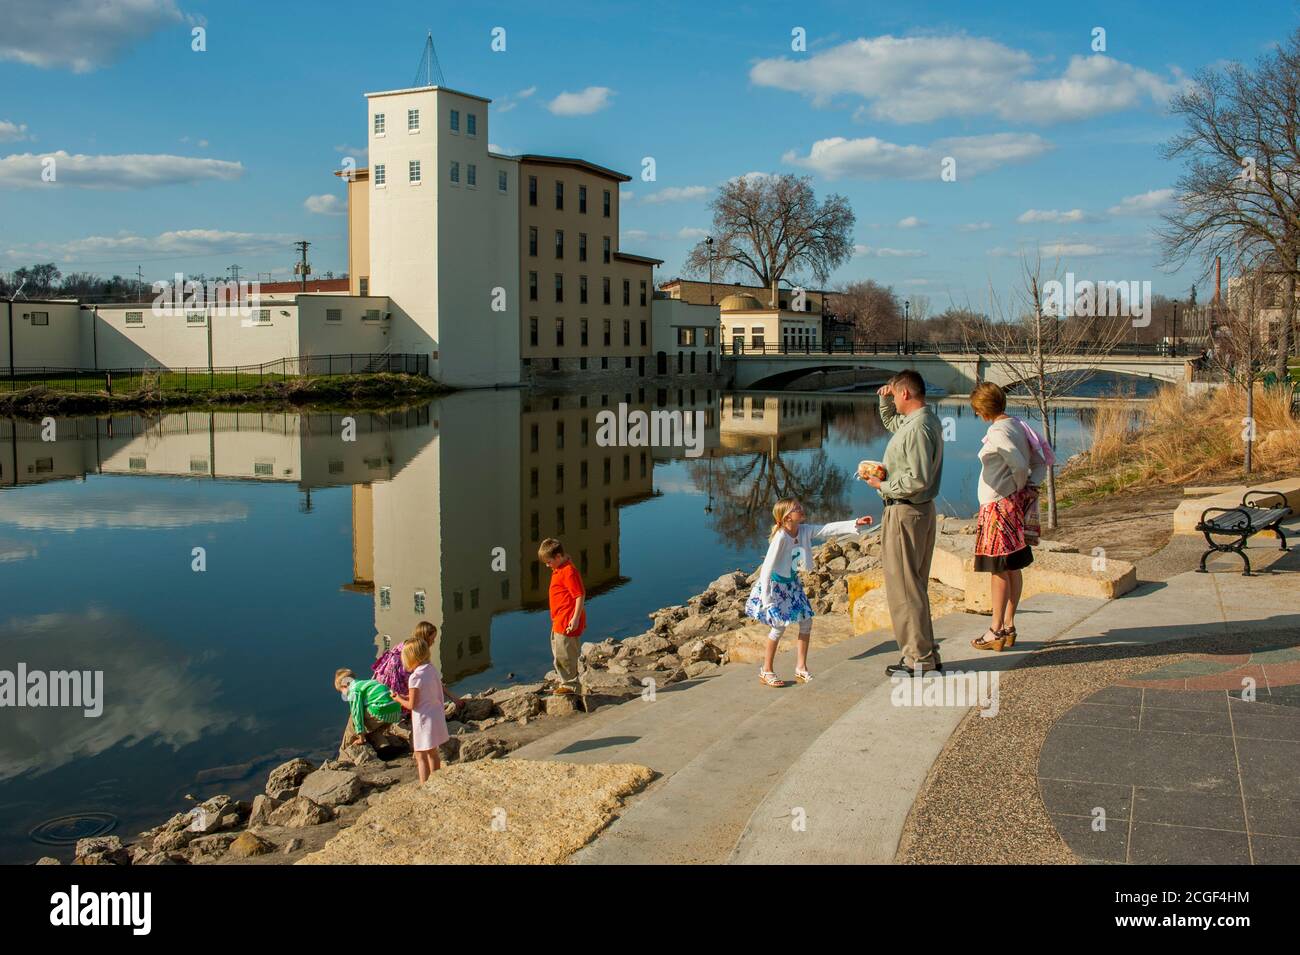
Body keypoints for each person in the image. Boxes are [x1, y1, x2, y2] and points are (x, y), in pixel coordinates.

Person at [864, 370, 945, 675]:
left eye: (896, 394)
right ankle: (924, 654)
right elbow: (893, 424)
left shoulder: (920, 428)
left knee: (904, 589)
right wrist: (884, 400)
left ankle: (919, 659)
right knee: (913, 586)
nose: (894, 399)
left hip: (905, 512)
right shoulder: (921, 421)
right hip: (914, 511)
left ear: (907, 394)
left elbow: (918, 479)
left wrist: (881, 486)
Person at [743, 498, 874, 687]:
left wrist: (854, 523)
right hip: (775, 586)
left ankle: (801, 668)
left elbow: (827, 529)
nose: (801, 509)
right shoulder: (780, 536)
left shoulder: (803, 530)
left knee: (806, 621)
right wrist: (768, 601)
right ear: (787, 517)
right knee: (779, 626)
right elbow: (766, 569)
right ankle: (766, 670)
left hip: (792, 584)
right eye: (797, 509)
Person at [967, 382, 1049, 652]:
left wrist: (1016, 485)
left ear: (983, 409)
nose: (977, 416)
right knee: (1013, 565)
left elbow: (1018, 462)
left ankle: (995, 630)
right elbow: (1040, 460)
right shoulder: (1018, 426)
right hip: (1011, 504)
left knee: (999, 569)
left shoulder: (998, 431)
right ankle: (1009, 625)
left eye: (977, 411)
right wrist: (1030, 486)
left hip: (998, 506)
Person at [386, 639, 448, 783]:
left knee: (420, 755)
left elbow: (412, 705)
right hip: (435, 715)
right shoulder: (431, 669)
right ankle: (436, 782)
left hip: (423, 720)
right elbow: (426, 693)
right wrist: (405, 696)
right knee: (433, 752)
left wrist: (397, 699)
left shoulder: (415, 677)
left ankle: (424, 785)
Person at [372, 621, 465, 714]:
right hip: (395, 678)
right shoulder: (414, 655)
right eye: (432, 639)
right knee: (416, 693)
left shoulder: (411, 644)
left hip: (389, 677)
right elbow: (428, 678)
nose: (433, 642)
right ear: (425, 638)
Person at [540, 538, 585, 696]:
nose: (547, 565)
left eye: (549, 562)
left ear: (558, 557)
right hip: (559, 620)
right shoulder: (560, 567)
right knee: (559, 652)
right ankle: (565, 681)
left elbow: (579, 595)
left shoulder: (568, 572)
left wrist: (575, 618)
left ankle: (571, 686)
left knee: (566, 654)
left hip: (567, 621)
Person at [334, 668, 402, 750]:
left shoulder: (353, 690)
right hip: (395, 712)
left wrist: (361, 737)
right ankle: (383, 745)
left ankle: (346, 749)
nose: (344, 694)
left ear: (345, 685)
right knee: (372, 729)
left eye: (342, 691)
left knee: (353, 718)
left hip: (381, 712)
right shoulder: (368, 683)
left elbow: (357, 713)